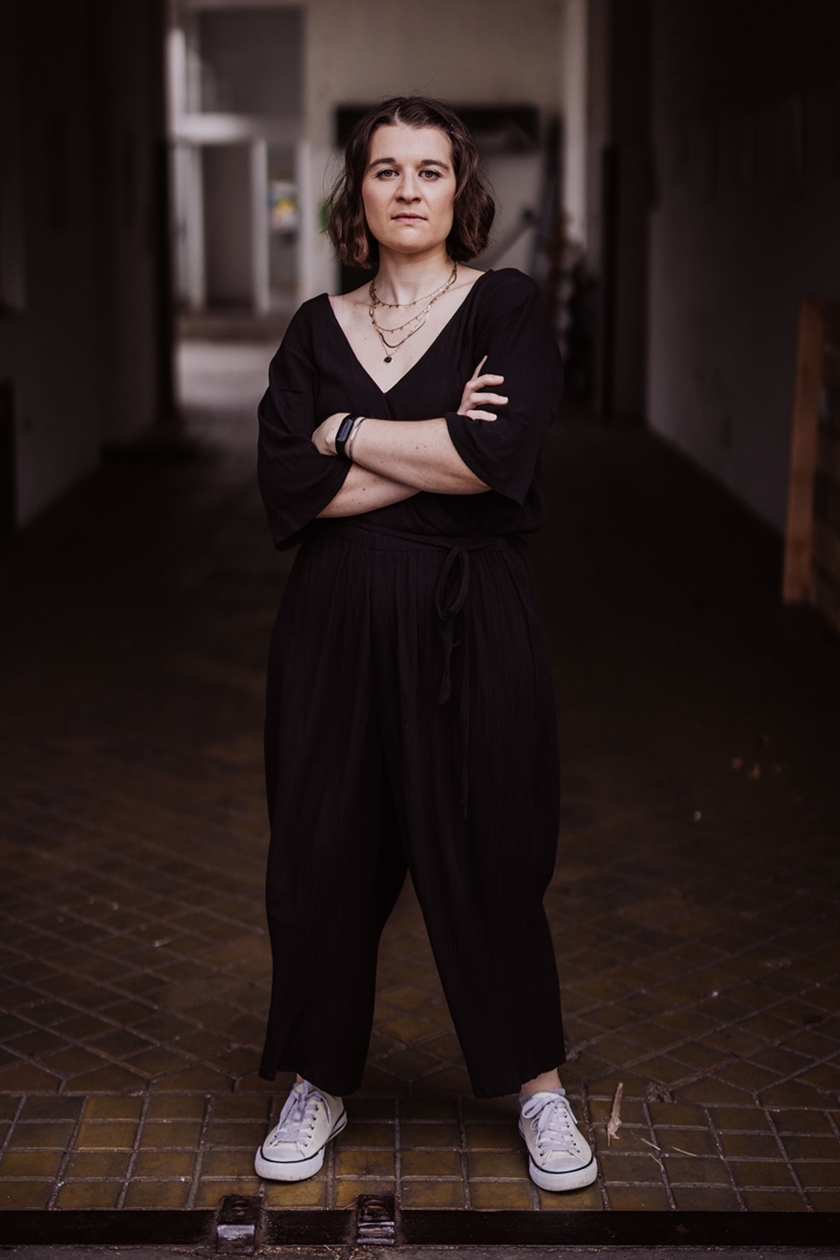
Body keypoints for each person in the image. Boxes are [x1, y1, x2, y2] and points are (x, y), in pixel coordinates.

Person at [253, 96, 597, 1196]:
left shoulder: (505, 306)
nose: (408, 188)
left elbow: (497, 461)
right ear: (356, 192)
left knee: (494, 849)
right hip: (335, 629)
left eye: (431, 170)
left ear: (462, 191)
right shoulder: (315, 327)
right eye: (386, 169)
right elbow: (288, 488)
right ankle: (318, 1078)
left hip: (471, 620)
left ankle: (538, 1088)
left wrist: (347, 432)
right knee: (323, 859)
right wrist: (439, 443)